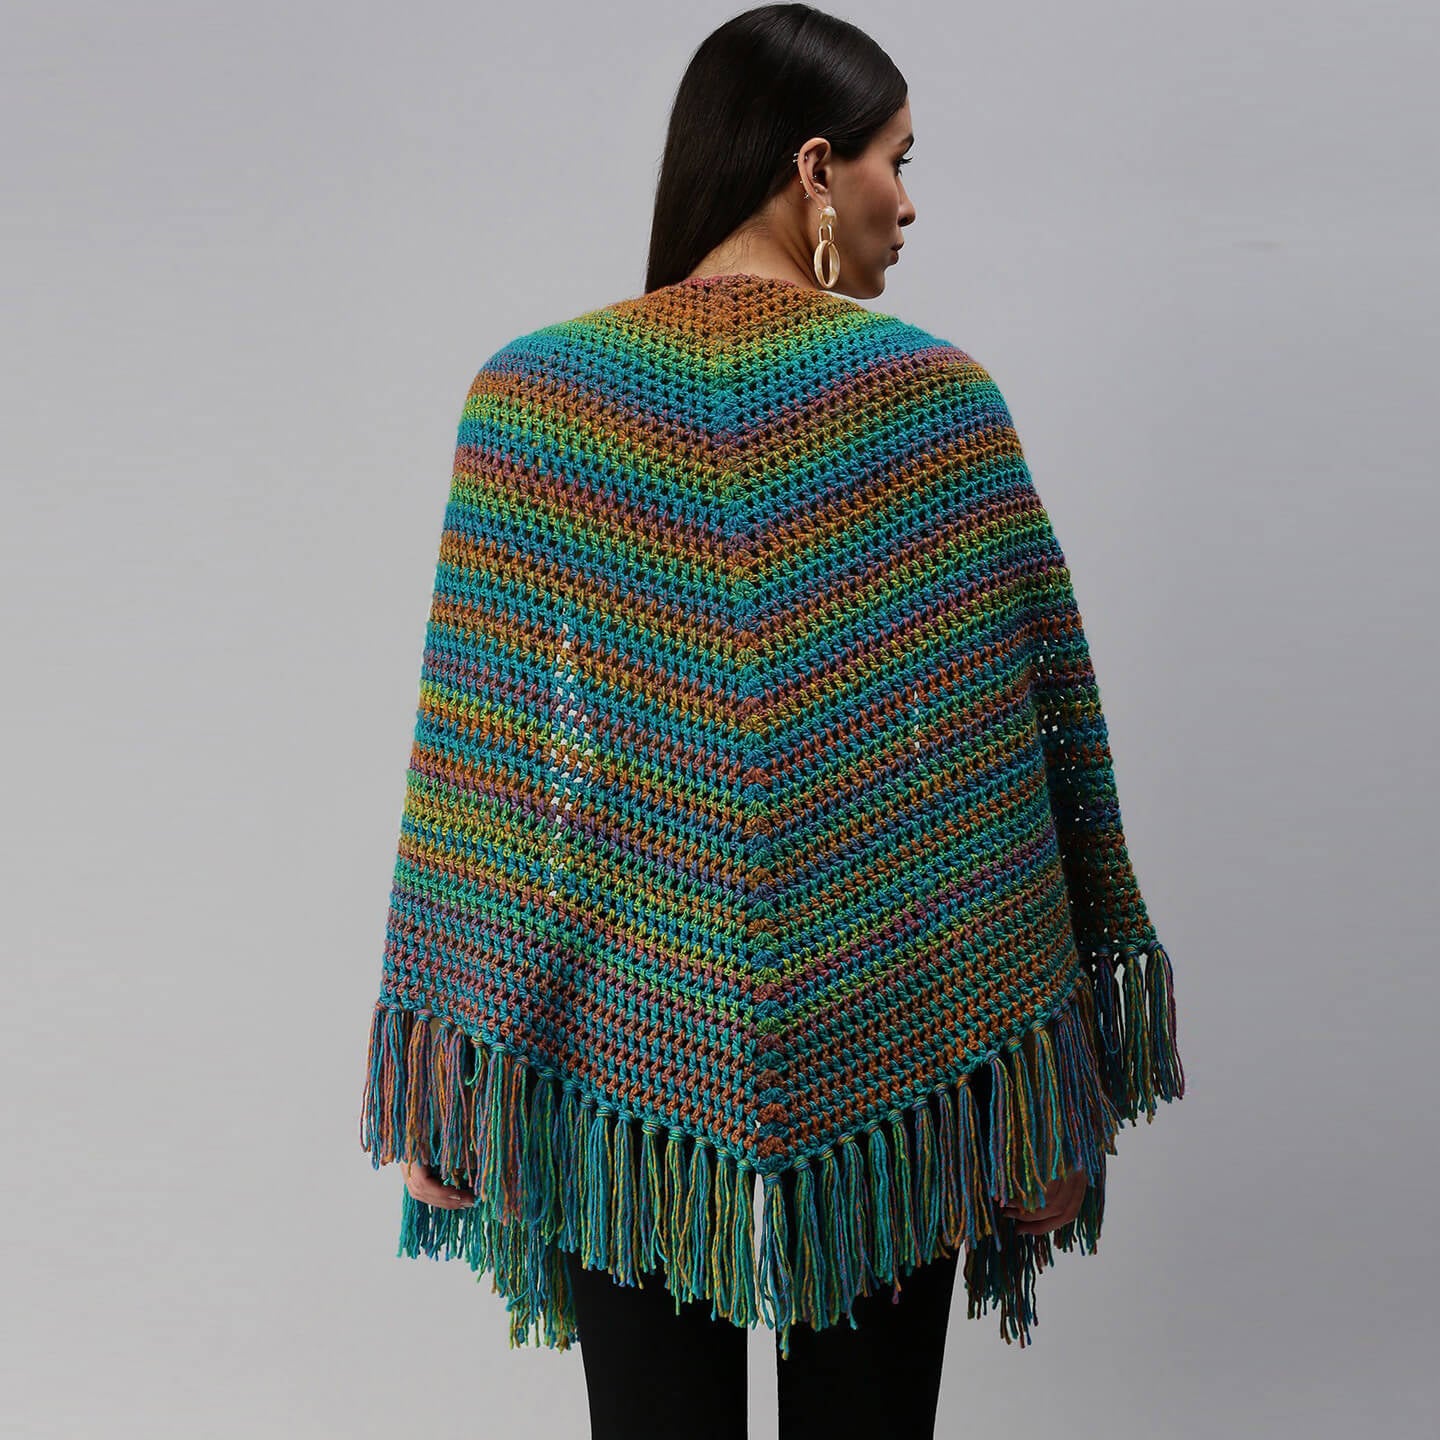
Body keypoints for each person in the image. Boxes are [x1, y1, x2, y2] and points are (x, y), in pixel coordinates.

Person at [362, 6, 1184, 1438]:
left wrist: (466, 1066)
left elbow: (490, 796)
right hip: (888, 1028)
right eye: (895, 162)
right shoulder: (938, 405)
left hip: (619, 1023)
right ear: (814, 168)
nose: (908, 203)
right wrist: (1030, 1086)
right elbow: (1004, 786)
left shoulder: (532, 403)